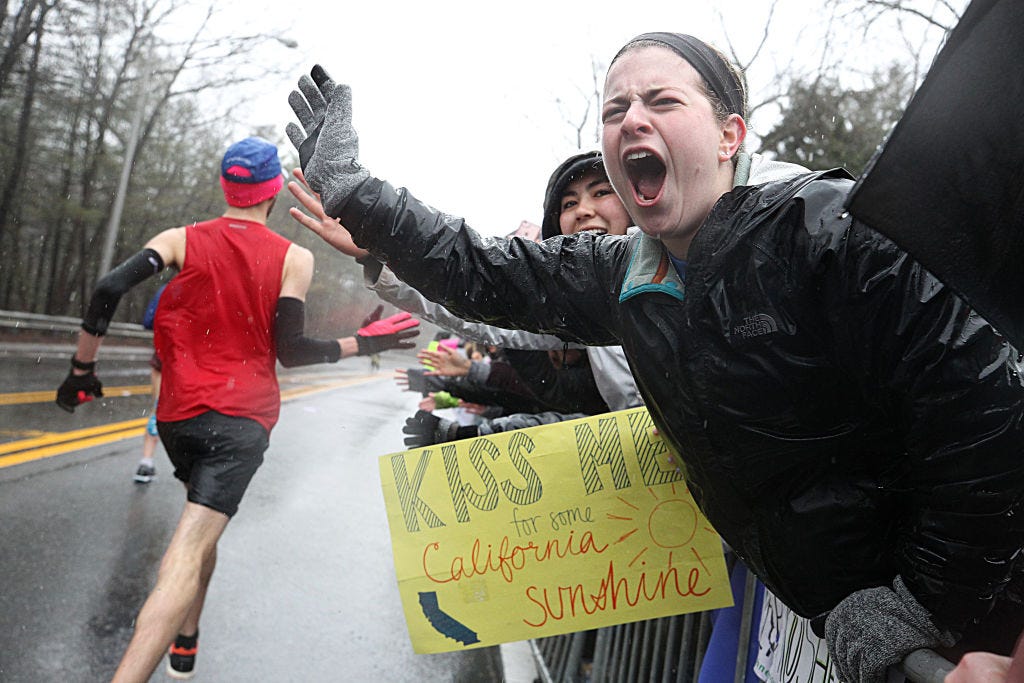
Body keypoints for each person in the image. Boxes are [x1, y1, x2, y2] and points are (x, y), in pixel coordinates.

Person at [286, 34, 1024, 683]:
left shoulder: (826, 230)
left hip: (956, 640)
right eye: (614, 110)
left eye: (661, 100)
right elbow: (482, 269)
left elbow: (984, 413)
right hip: (807, 617)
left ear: (729, 134)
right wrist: (357, 194)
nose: (632, 118)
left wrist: (920, 601)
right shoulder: (619, 271)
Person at [55, 136, 419, 682]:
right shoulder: (294, 258)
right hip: (241, 423)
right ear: (273, 192)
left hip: (179, 417)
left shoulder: (179, 240)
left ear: (226, 186)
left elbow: (108, 288)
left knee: (200, 526)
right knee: (187, 547)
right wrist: (365, 344)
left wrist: (82, 371)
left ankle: (187, 638)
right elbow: (292, 353)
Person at [134, 282, 167, 484]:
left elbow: (148, 320)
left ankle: (146, 461)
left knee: (158, 408)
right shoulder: (216, 288)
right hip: (198, 360)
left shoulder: (167, 289)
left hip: (164, 355)